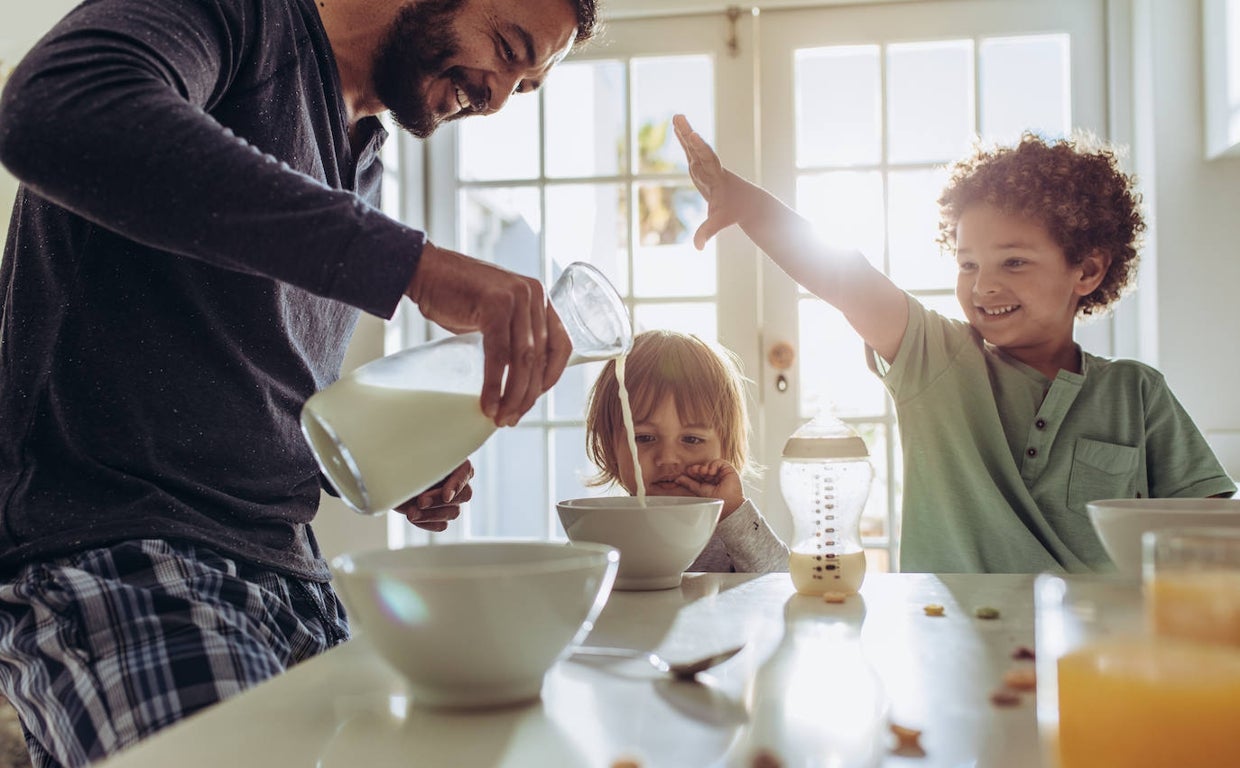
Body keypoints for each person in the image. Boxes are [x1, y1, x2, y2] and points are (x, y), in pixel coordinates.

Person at [0, 0, 599, 763]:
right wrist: (411, 265)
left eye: (528, 85)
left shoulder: (363, 159)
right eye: (507, 49)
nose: (498, 97)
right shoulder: (243, 19)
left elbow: (245, 388)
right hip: (123, 556)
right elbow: (56, 109)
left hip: (295, 583)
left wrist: (385, 460)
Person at [672, 114, 1236, 575]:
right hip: (947, 638)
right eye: (968, 264)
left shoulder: (1137, 392)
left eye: (1014, 262)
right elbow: (844, 276)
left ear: (1087, 271)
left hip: (1097, 647)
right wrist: (746, 204)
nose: (984, 285)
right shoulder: (936, 362)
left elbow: (1213, 533)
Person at [584, 329, 789, 573]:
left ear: (726, 446)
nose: (667, 458)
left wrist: (733, 512)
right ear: (610, 445)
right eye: (644, 438)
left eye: (691, 439)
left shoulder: (731, 532)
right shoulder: (600, 531)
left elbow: (780, 580)